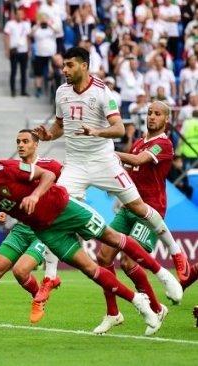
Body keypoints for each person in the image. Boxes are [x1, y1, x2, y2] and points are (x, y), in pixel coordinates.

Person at [0, 158, 181, 335]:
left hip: (65, 209)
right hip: (46, 230)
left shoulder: (4, 169)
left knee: (113, 238)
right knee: (90, 269)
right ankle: (139, 302)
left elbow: (48, 175)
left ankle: (163, 275)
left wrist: (35, 195)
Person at [34, 47, 191, 282]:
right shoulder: (61, 92)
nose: (64, 69)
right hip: (76, 165)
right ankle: (50, 279)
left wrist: (97, 133)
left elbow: (119, 130)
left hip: (107, 164)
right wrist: (48, 135)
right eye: (63, 65)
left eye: (69, 65)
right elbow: (59, 125)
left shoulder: (102, 93)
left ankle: (176, 254)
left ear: (84, 66)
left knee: (131, 247)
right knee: (62, 214)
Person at [92, 101, 174, 334]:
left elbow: (137, 161)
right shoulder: (139, 142)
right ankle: (112, 313)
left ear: (165, 119)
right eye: (149, 113)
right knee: (104, 256)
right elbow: (130, 170)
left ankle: (157, 308)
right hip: (129, 207)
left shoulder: (163, 145)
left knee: (128, 262)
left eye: (157, 114)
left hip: (149, 210)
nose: (151, 117)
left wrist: (108, 152)